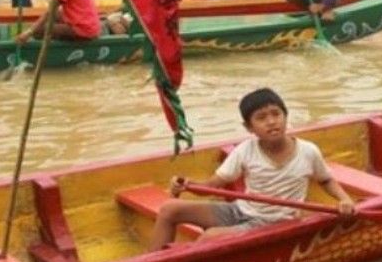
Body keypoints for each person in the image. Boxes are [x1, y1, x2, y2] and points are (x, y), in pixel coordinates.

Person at [150, 87, 355, 250]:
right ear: (249, 127)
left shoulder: (308, 151)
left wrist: (345, 200)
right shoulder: (245, 150)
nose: (271, 122)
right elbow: (214, 184)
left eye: (276, 114)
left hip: (273, 221)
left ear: (286, 116)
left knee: (209, 238)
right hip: (241, 210)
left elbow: (326, 179)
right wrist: (186, 186)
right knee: (170, 209)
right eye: (261, 118)